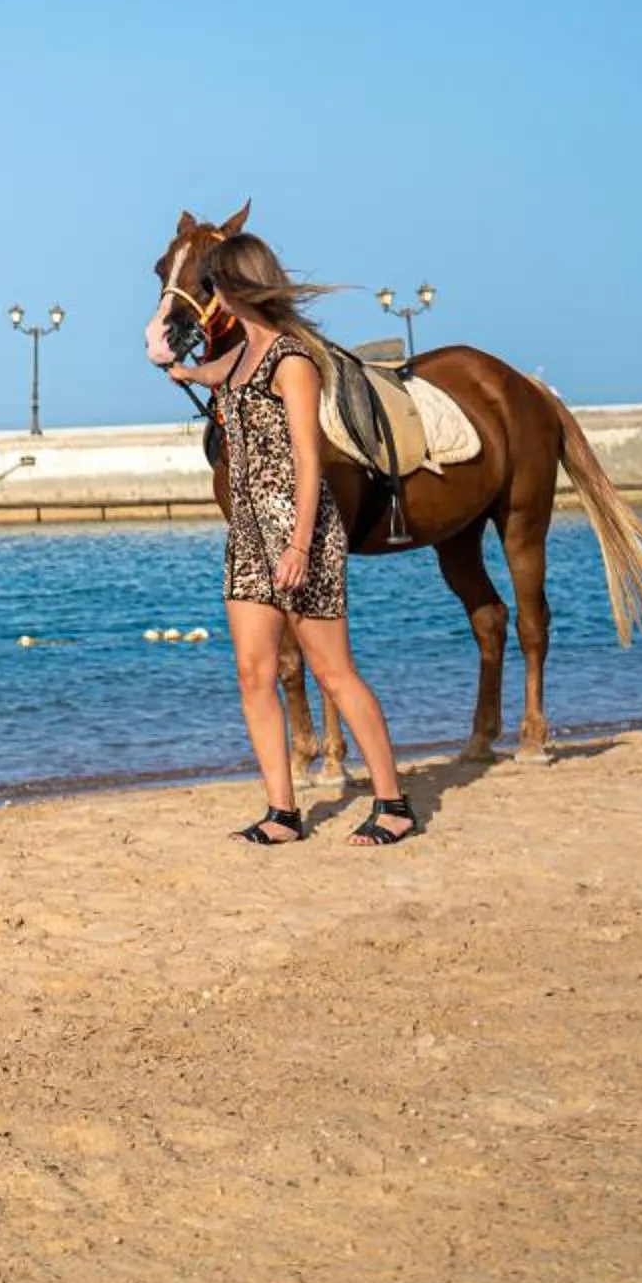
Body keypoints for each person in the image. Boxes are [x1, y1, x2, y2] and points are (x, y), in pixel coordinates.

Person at [157, 233, 419, 848]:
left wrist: (299, 544)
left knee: (333, 673)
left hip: (299, 532)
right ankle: (283, 811)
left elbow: (309, 460)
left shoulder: (293, 361)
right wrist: (184, 368)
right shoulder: (243, 355)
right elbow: (209, 372)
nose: (211, 297)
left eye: (216, 285)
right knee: (253, 673)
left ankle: (393, 802)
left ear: (242, 285)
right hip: (247, 533)